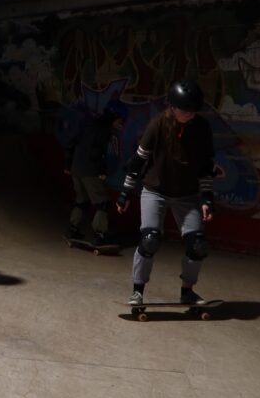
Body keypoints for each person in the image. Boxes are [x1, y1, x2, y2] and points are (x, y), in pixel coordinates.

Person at [116, 79, 215, 306]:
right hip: (155, 192)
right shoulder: (157, 125)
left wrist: (207, 197)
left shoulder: (202, 128)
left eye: (193, 110)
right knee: (150, 240)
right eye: (185, 110)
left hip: (187, 194)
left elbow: (206, 166)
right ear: (172, 107)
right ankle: (137, 291)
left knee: (198, 245)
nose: (189, 114)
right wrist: (125, 192)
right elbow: (138, 161)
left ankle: (187, 291)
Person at [64, 99, 128, 245]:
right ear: (114, 116)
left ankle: (73, 228)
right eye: (121, 120)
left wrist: (68, 164)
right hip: (90, 170)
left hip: (76, 168)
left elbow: (72, 142)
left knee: (82, 200)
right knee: (103, 203)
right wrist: (101, 170)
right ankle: (100, 235)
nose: (121, 124)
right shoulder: (104, 129)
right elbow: (96, 152)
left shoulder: (89, 122)